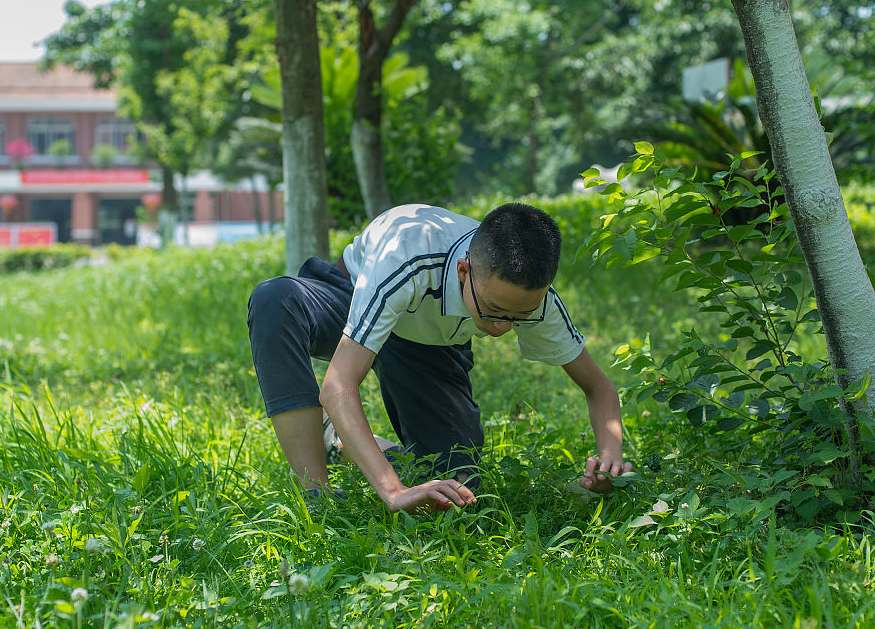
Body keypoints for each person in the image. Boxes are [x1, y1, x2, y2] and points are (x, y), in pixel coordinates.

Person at [246, 202, 633, 514]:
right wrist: (393, 492)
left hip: (428, 341)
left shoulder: (530, 300)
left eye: (521, 316)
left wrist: (610, 460)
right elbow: (338, 386)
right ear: (464, 271)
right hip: (352, 299)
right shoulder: (407, 256)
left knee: (454, 492)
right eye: (495, 310)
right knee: (274, 301)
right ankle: (318, 499)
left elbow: (599, 387)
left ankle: (339, 439)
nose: (504, 327)